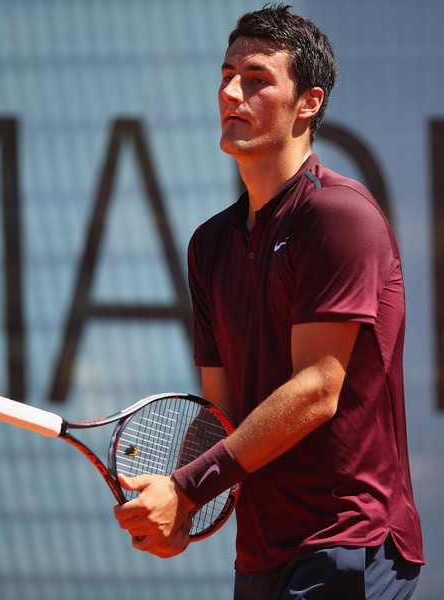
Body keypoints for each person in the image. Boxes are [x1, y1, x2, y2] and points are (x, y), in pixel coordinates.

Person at [114, 4, 424, 598]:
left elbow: (317, 391)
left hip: (348, 541)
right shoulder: (208, 245)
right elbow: (218, 411)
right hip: (257, 556)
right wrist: (189, 510)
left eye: (256, 78)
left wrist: (183, 489)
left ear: (307, 102)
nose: (232, 91)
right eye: (227, 74)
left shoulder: (339, 216)